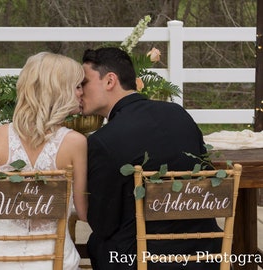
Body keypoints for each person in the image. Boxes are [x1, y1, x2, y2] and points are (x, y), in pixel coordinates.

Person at [80, 47, 222, 270]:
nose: (79, 91)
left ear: (109, 81)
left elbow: (103, 224)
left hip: (140, 260)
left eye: (84, 82)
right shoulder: (179, 115)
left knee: (98, 242)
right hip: (204, 254)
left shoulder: (103, 141)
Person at [0, 52, 88, 270]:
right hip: (51, 258)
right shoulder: (76, 142)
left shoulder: (1, 136)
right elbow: (83, 212)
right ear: (59, 91)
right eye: (77, 86)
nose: (82, 92)